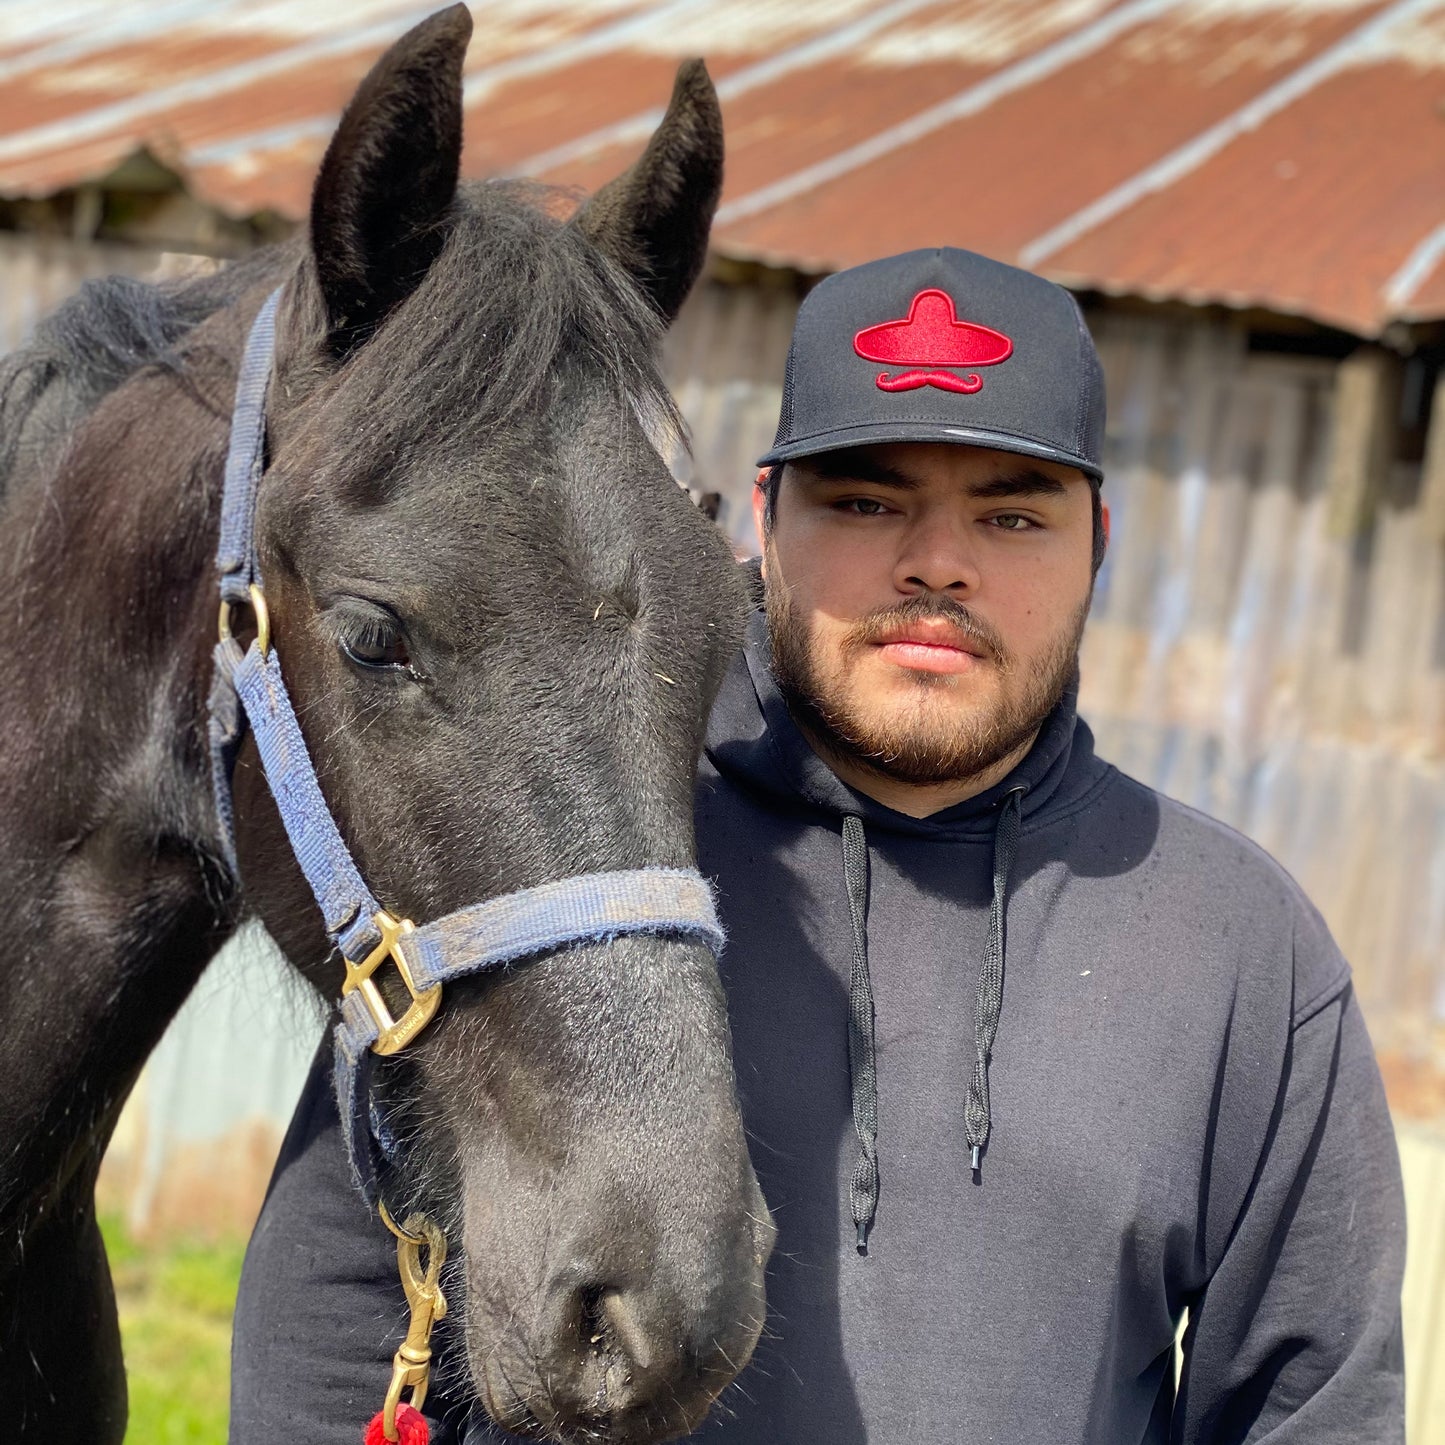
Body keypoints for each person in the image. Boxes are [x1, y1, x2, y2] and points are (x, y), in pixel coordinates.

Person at [230, 247, 1406, 1444]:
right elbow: (334, 1328)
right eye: (863, 500)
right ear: (763, 518)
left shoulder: (1239, 950)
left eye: (1009, 512)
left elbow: (1311, 1406)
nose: (936, 561)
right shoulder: (575, 863)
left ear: (1096, 544)